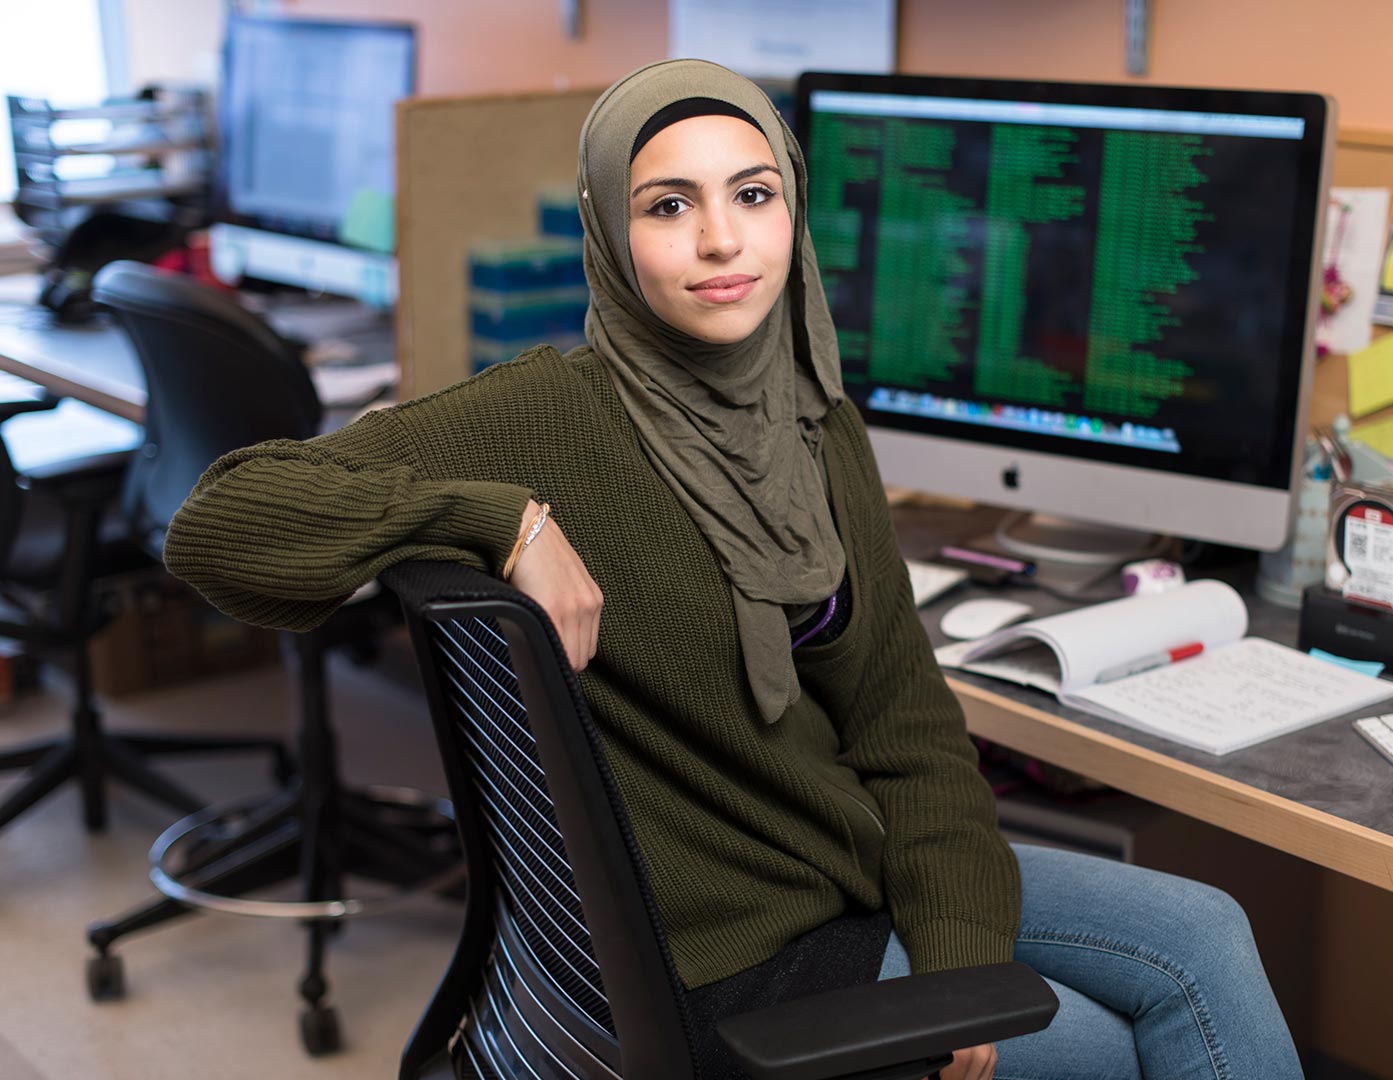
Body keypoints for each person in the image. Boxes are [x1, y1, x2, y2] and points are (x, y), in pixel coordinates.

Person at [164, 59, 1302, 1080]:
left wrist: (957, 964)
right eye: (669, 206)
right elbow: (215, 522)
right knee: (1118, 1055)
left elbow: (905, 727)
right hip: (722, 959)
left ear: (792, 210)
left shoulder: (813, 419)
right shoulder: (539, 418)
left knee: (1206, 931)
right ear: (610, 230)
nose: (722, 242)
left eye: (753, 195)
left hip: (832, 862)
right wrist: (500, 520)